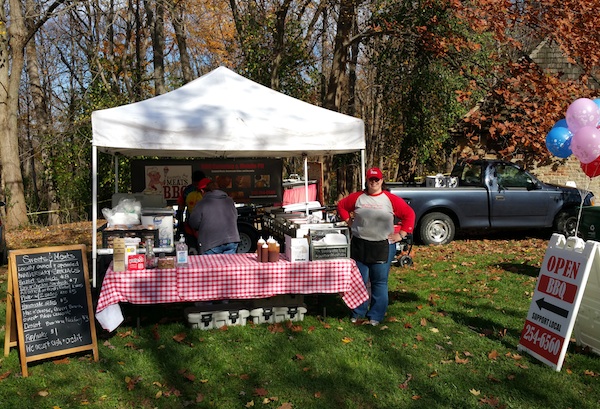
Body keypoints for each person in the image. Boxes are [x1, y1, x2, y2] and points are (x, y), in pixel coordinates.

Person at [337, 167, 415, 326]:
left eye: (376, 179)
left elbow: (409, 215)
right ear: (366, 180)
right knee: (359, 282)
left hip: (382, 246)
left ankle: (376, 316)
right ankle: (358, 312)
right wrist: (349, 222)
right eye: (371, 179)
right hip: (360, 245)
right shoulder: (358, 197)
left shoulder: (390, 199)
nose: (374, 182)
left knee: (379, 282)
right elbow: (342, 206)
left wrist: (401, 234)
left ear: (381, 180)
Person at [188, 179, 240, 254]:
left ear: (202, 191)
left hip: (210, 242)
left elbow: (194, 223)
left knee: (211, 262)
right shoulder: (229, 201)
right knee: (228, 262)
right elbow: (235, 217)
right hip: (231, 240)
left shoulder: (202, 203)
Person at [176, 170, 207, 250]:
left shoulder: (188, 190)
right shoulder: (207, 190)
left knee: (192, 249)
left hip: (192, 224)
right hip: (202, 225)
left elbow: (181, 206)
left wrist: (180, 220)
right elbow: (181, 205)